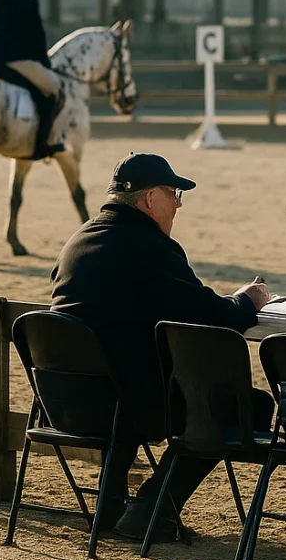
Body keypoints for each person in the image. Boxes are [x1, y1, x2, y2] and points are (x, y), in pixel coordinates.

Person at [51, 153, 270, 540]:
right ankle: (153, 508)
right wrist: (245, 301)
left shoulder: (78, 241)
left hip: (61, 402)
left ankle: (110, 507)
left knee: (126, 370)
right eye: (174, 194)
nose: (179, 204)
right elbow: (209, 315)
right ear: (151, 198)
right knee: (246, 405)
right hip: (125, 407)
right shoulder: (150, 248)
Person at [0, 0, 64, 160]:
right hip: (18, 62)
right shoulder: (29, 1)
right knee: (53, 91)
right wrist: (45, 65)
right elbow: (37, 38)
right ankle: (41, 145)